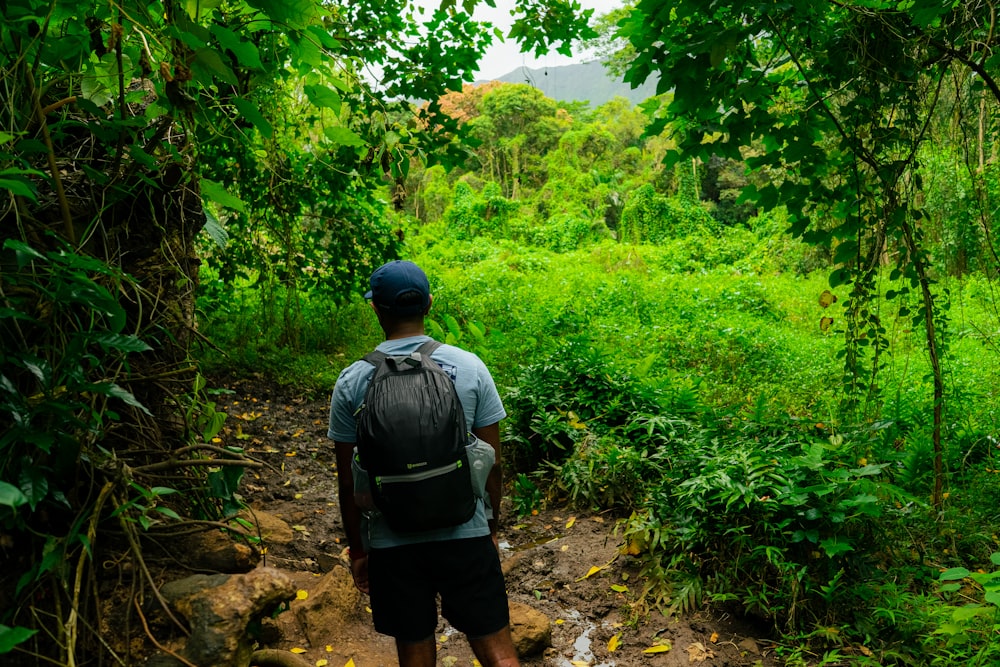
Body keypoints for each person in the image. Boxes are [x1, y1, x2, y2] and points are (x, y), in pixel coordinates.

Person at [328, 260, 519, 667]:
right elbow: (493, 465)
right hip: (464, 532)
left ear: (376, 309)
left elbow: (348, 481)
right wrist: (489, 526)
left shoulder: (352, 381)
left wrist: (358, 549)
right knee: (499, 653)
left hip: (390, 541)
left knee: (414, 655)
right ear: (429, 304)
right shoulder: (470, 368)